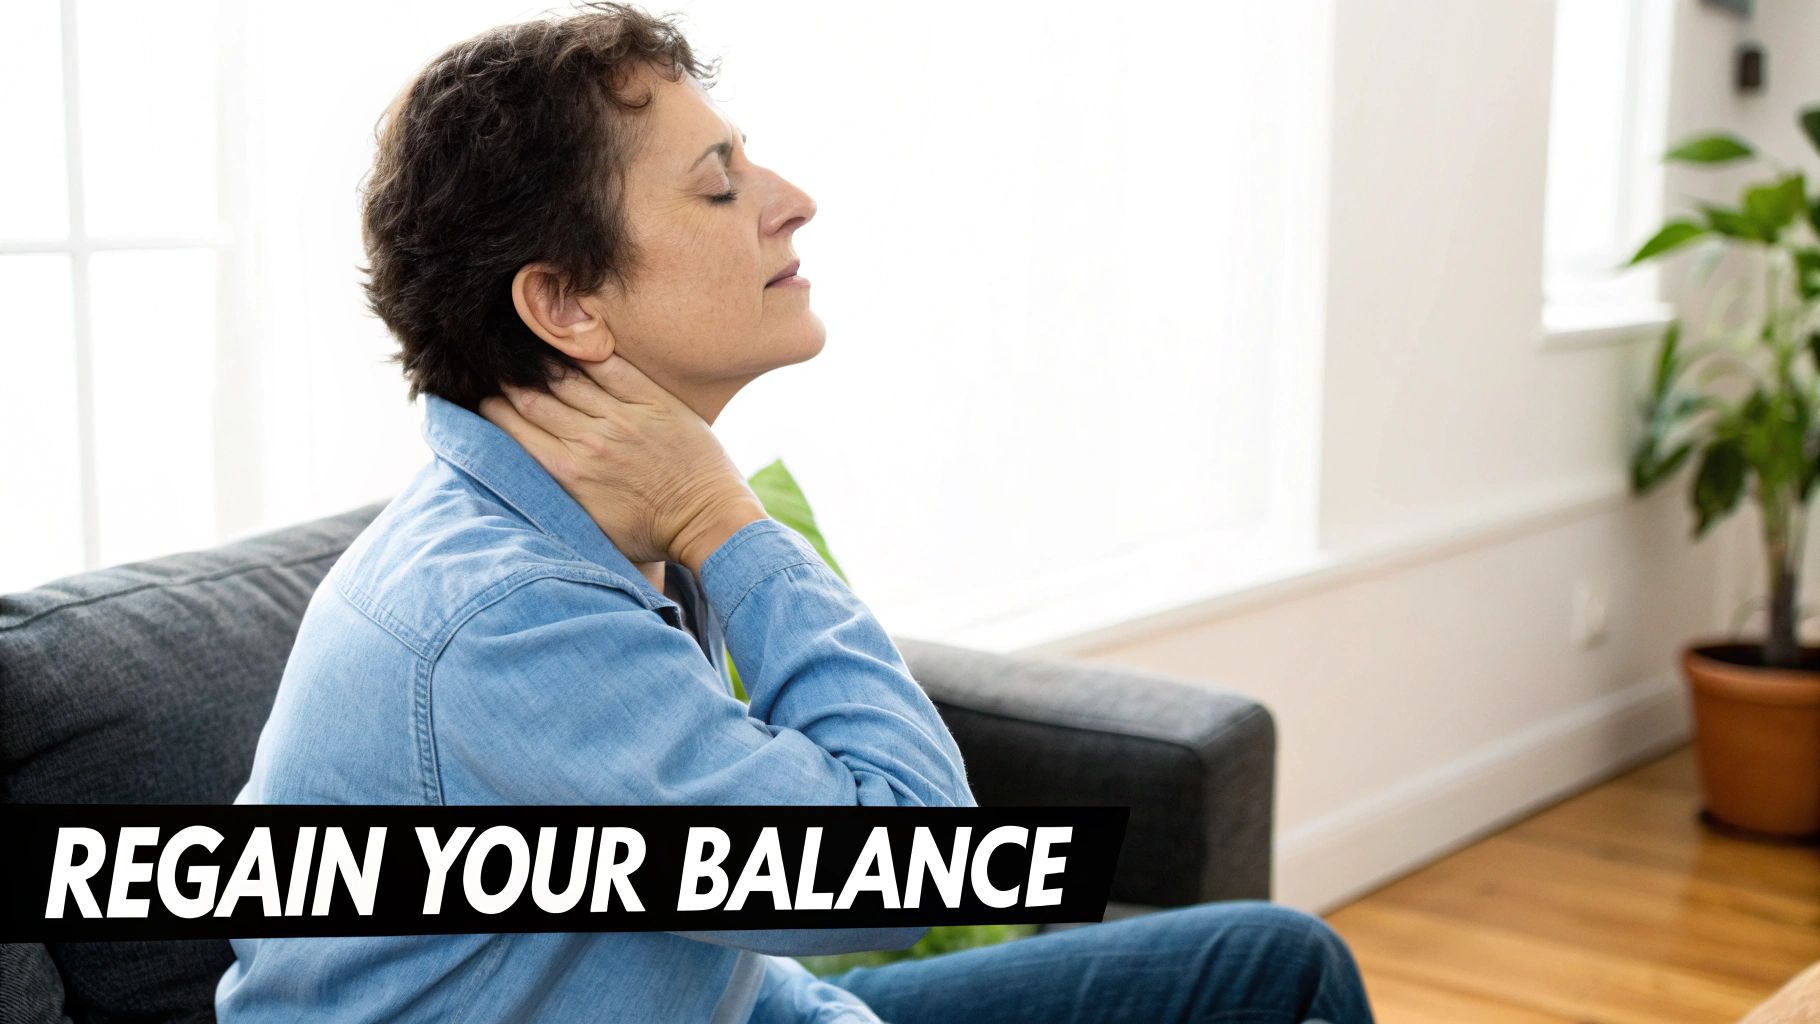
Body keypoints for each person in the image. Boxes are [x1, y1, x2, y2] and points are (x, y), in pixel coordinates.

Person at [214, 3, 1376, 1022]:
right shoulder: (506, 613)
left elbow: (686, 956)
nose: (792, 203)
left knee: (1270, 965)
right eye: (718, 185)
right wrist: (725, 518)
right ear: (565, 304)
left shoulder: (578, 526)